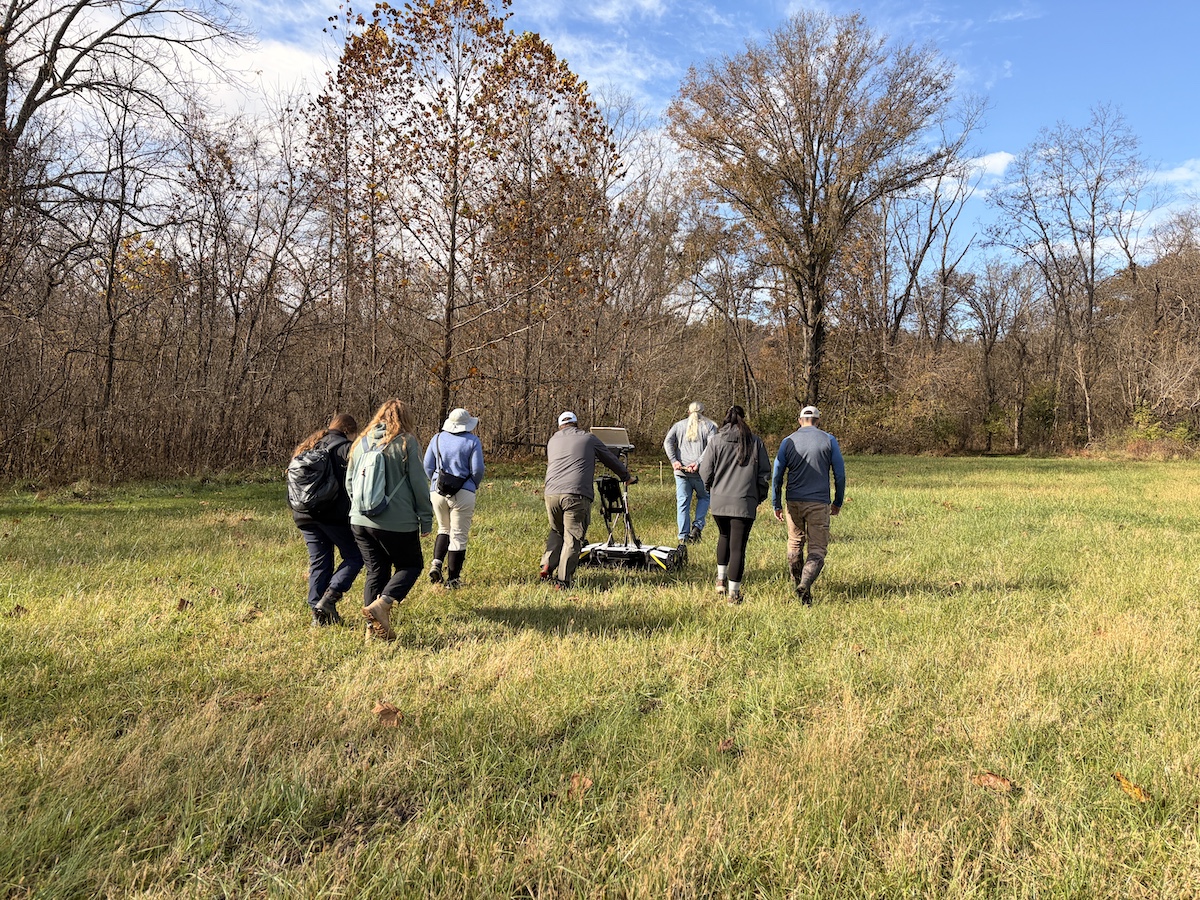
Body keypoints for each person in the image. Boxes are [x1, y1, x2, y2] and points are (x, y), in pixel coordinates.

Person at [346, 399, 433, 641]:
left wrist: (362, 508)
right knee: (411, 565)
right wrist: (426, 519)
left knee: (376, 571)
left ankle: (371, 632)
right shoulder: (406, 443)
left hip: (359, 520)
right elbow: (419, 485)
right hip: (397, 522)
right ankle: (381, 606)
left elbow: (350, 483)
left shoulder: (361, 442)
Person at [541, 411, 633, 588]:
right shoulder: (588, 439)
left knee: (557, 530)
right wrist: (626, 476)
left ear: (560, 426)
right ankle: (563, 580)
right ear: (576, 424)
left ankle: (547, 564)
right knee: (573, 538)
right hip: (576, 494)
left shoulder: (552, 440)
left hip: (551, 494)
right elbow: (609, 459)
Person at [289, 413, 363, 626]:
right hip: (331, 515)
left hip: (304, 514)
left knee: (319, 562)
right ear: (349, 431)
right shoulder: (346, 449)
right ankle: (330, 597)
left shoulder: (309, 445)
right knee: (355, 556)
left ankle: (318, 613)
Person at [771, 405, 845, 605]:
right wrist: (838, 501)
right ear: (818, 420)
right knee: (817, 549)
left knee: (795, 543)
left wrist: (776, 502)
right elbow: (839, 474)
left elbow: (777, 475)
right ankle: (805, 583)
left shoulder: (787, 441)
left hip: (793, 501)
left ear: (799, 421)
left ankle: (798, 584)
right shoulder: (829, 440)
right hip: (819, 502)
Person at [699, 405, 771, 604]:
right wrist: (759, 496)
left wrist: (711, 490)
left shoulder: (715, 441)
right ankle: (734, 594)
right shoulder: (755, 442)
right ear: (744, 418)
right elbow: (764, 473)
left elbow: (705, 470)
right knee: (738, 546)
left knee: (723, 536)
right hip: (744, 501)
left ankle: (720, 580)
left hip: (719, 500)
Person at [422, 407, 485, 588]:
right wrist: (473, 484)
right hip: (463, 492)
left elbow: (427, 465)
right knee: (458, 536)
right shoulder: (473, 441)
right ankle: (453, 580)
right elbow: (478, 469)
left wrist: (435, 481)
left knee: (443, 528)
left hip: (438, 491)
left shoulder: (437, 439)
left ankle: (436, 563)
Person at [663, 401, 717, 544]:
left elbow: (667, 442)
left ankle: (683, 536)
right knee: (704, 498)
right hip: (701, 472)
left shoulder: (678, 426)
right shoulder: (710, 426)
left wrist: (674, 460)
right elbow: (711, 448)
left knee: (683, 503)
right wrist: (698, 463)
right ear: (703, 412)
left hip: (681, 472)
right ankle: (697, 527)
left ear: (688, 412)